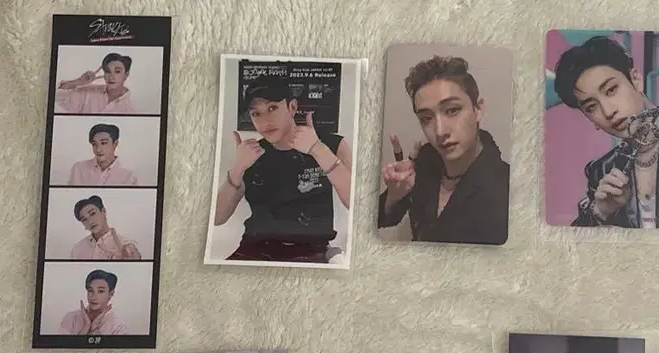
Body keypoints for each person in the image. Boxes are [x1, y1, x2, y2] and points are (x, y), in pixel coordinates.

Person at [214, 76, 353, 263]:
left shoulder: (331, 144)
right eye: (256, 113)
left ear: (292, 107)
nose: (265, 120)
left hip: (310, 252)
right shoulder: (252, 154)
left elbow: (356, 203)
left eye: (272, 108)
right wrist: (237, 168)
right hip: (254, 249)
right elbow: (217, 218)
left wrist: (318, 150)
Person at [378, 55, 510, 244]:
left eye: (452, 110)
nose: (440, 131)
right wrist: (394, 195)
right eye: (426, 118)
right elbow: (383, 219)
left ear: (478, 110)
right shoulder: (424, 163)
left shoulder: (505, 188)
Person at [553, 36, 659, 228]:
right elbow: (575, 242)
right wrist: (601, 212)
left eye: (611, 90)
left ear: (636, 80)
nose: (608, 111)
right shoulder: (602, 170)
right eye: (591, 107)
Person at [56, 53, 136, 114]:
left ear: (126, 75)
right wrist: (78, 81)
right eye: (108, 71)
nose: (111, 77)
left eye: (117, 71)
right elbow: (57, 96)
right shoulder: (88, 92)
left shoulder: (130, 110)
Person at [58, 269, 128, 336]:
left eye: (100, 291)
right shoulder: (71, 318)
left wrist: (95, 328)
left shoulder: (119, 326)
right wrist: (86, 326)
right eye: (90, 290)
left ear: (111, 294)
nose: (94, 297)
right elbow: (63, 344)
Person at [70, 195, 142, 260]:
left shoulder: (127, 244)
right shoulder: (77, 249)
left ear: (103, 211)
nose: (90, 221)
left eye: (93, 213)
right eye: (84, 219)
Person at [67, 124, 139, 187]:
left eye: (103, 143)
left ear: (115, 144)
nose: (98, 150)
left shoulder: (129, 176)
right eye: (94, 144)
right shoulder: (78, 169)